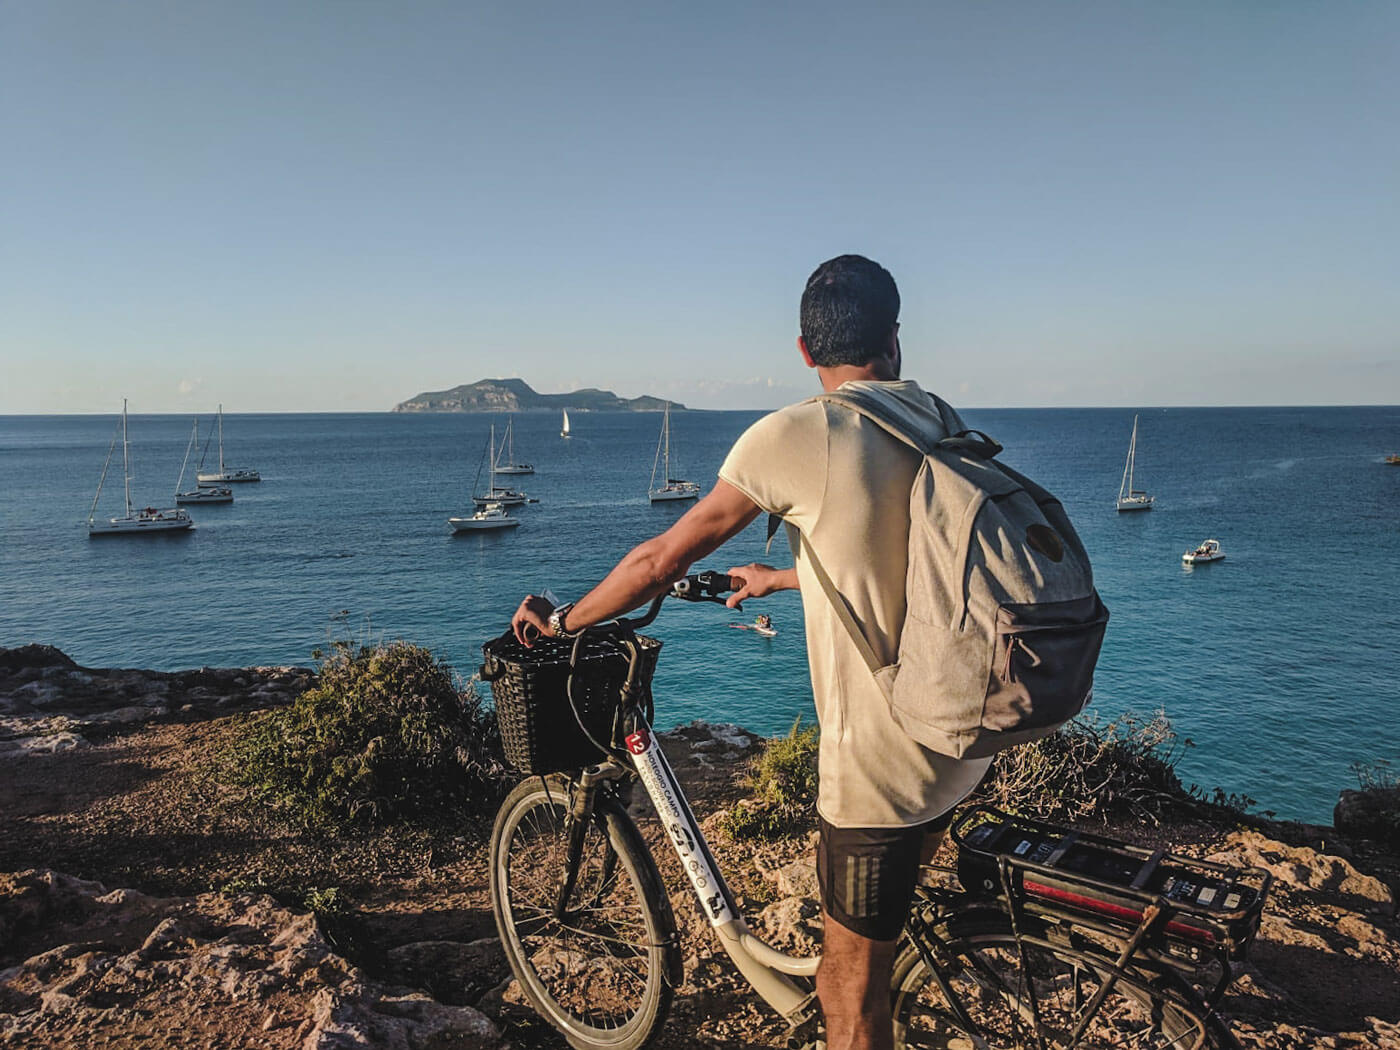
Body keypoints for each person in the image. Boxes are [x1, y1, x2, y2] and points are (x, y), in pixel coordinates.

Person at [512, 254, 990, 1050]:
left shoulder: (801, 432)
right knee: (884, 928)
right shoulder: (933, 416)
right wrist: (783, 577)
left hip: (885, 765)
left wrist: (565, 622)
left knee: (849, 996)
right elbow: (907, 559)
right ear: (897, 340)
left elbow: (659, 562)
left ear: (805, 351)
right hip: (965, 732)